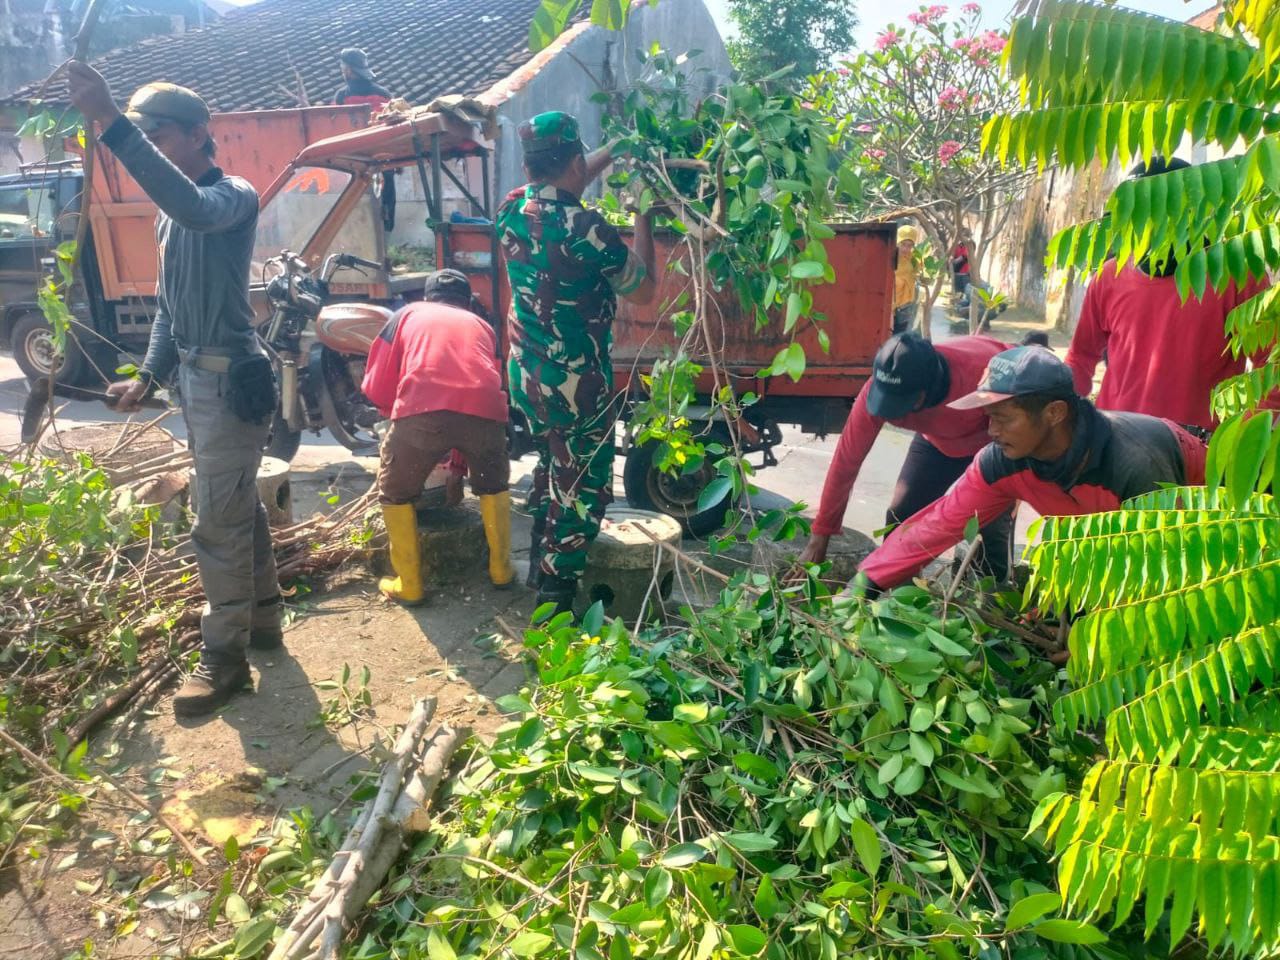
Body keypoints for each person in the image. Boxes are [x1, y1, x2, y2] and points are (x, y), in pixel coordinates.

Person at [67, 64, 282, 718]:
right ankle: (264, 619)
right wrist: (148, 376)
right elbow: (168, 308)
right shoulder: (169, 219)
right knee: (234, 503)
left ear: (196, 135)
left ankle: (225, 659)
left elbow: (191, 205)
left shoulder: (231, 196)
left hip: (231, 382)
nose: (152, 150)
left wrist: (112, 122)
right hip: (196, 383)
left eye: (158, 138)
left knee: (214, 522)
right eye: (147, 139)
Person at [853, 345, 1208, 593]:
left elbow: (1165, 566)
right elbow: (937, 525)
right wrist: (864, 583)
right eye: (988, 418)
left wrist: (1094, 636)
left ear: (1054, 413)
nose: (991, 431)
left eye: (1003, 418)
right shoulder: (1001, 461)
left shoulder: (1134, 465)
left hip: (1205, 527)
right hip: (1102, 534)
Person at [496, 111, 656, 614]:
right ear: (572, 162)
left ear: (529, 165)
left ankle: (536, 564)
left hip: (528, 377)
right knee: (584, 484)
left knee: (552, 463)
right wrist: (643, 214)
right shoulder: (589, 230)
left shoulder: (511, 210)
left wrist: (614, 148)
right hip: (576, 385)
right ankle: (555, 602)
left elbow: (563, 176)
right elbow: (644, 290)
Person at [1064, 156, 1270, 434]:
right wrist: (1070, 424)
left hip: (1196, 448)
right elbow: (1080, 357)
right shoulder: (1109, 276)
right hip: (1115, 438)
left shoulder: (1236, 274)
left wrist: (1239, 436)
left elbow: (1271, 366)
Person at [793, 332, 1016, 582]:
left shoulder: (984, 373)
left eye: (899, 404)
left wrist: (1016, 482)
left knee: (989, 530)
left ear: (924, 393)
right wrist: (820, 536)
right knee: (901, 517)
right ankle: (896, 597)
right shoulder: (877, 390)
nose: (892, 415)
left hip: (993, 442)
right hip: (937, 443)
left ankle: (991, 597)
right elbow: (846, 463)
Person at [361, 269, 515, 604]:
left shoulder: (406, 314)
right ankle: (502, 570)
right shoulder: (483, 326)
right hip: (487, 409)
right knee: (493, 486)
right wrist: (458, 467)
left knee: (395, 492)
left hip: (422, 406)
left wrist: (395, 417)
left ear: (428, 298)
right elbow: (476, 390)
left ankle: (409, 584)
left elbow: (377, 385)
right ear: (467, 302)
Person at [333, 48, 396, 231]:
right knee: (386, 197)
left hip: (354, 160)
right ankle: (386, 233)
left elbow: (336, 128)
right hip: (384, 157)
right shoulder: (384, 94)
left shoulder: (342, 96)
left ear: (348, 70)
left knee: (356, 201)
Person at [892, 225, 920, 334]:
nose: (905, 249)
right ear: (897, 242)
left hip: (905, 307)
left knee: (900, 336)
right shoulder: (890, 257)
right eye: (903, 244)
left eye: (909, 245)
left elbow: (919, 275)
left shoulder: (914, 260)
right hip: (889, 305)